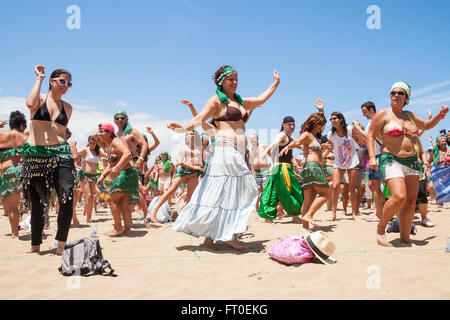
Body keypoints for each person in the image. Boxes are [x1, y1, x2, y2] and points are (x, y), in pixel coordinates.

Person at [172, 66, 280, 250]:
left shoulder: (239, 102)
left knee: (224, 193)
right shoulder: (216, 101)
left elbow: (260, 99)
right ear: (221, 81)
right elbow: (200, 118)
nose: (235, 82)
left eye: (236, 79)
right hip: (225, 150)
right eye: (230, 79)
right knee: (240, 189)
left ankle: (210, 239)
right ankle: (229, 235)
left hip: (237, 151)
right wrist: (183, 129)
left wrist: (275, 83)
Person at [367, 81, 448, 246]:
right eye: (393, 92)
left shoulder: (410, 115)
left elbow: (426, 125)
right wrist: (372, 157)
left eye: (400, 93)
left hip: (412, 162)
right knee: (399, 196)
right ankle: (381, 227)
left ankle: (405, 238)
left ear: (406, 97)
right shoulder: (383, 114)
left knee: (411, 202)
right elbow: (370, 135)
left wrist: (440, 116)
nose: (396, 95)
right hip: (390, 159)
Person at [22, 66, 76, 255]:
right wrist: (39, 78)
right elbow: (29, 104)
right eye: (62, 81)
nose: (65, 85)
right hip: (36, 154)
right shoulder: (40, 100)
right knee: (37, 202)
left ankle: (60, 245)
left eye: (68, 83)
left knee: (67, 197)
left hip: (61, 154)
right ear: (52, 81)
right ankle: (35, 245)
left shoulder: (68, 108)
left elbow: (60, 132)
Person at [279, 111, 329, 231]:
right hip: (313, 166)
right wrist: (287, 147)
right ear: (315, 124)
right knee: (325, 193)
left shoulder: (315, 137)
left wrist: (321, 111)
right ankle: (309, 215)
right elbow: (297, 142)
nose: (322, 127)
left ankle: (305, 227)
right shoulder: (307, 134)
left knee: (308, 200)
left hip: (309, 167)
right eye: (321, 125)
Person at [147, 128, 204, 223]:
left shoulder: (200, 148)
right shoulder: (185, 148)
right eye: (188, 134)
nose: (190, 136)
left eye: (192, 134)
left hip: (194, 173)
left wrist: (200, 169)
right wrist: (193, 167)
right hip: (184, 171)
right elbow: (179, 162)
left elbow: (201, 162)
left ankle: (184, 216)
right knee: (170, 190)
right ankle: (154, 211)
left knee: (190, 196)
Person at [258, 116, 303, 223]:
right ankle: (295, 215)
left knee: (273, 190)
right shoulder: (282, 134)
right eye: (289, 124)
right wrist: (264, 152)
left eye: (293, 124)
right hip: (283, 168)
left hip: (280, 168)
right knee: (293, 190)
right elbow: (274, 143)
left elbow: (301, 146)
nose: (292, 127)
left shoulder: (290, 138)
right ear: (284, 125)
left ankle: (268, 218)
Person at [95, 123, 137, 237]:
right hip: (127, 173)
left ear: (109, 133)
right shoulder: (109, 145)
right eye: (99, 131)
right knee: (123, 202)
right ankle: (127, 229)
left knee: (111, 199)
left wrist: (117, 168)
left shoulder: (116, 142)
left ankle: (118, 228)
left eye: (102, 131)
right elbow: (111, 164)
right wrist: (103, 175)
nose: (99, 134)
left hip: (125, 173)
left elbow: (128, 154)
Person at [326, 112, 360, 221]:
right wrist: (321, 156)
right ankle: (333, 213)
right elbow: (329, 147)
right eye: (331, 119)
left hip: (352, 161)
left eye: (334, 118)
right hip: (339, 162)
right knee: (335, 186)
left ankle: (354, 213)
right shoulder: (331, 134)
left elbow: (358, 140)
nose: (332, 121)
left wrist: (358, 129)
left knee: (352, 187)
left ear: (341, 119)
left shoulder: (349, 129)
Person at [0, 111, 28, 239]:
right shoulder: (26, 137)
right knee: (34, 203)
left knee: (12, 206)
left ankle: (14, 234)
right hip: (24, 169)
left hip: (8, 171)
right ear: (22, 125)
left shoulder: (2, 135)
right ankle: (41, 231)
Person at [77, 135, 106, 223]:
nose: (92, 145)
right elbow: (74, 154)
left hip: (93, 176)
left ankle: (88, 217)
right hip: (84, 175)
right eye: (90, 143)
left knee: (91, 197)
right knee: (89, 196)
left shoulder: (98, 152)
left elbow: (108, 155)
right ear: (88, 142)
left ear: (96, 143)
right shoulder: (85, 150)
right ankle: (87, 217)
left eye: (94, 143)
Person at [249, 133, 271, 212]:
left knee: (265, 189)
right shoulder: (250, 149)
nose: (252, 140)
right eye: (251, 139)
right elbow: (250, 163)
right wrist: (252, 174)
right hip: (256, 172)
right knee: (257, 190)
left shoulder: (263, 146)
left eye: (254, 138)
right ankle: (257, 209)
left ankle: (265, 207)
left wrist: (272, 163)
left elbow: (270, 154)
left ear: (257, 138)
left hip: (264, 170)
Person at [65, 128, 81, 227]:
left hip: (70, 171)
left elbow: (76, 158)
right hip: (67, 171)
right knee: (66, 198)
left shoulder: (71, 143)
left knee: (72, 199)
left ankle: (74, 219)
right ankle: (73, 219)